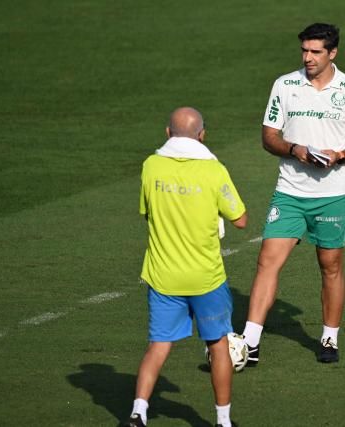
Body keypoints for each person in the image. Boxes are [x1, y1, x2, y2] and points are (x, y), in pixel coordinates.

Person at [241, 23, 345, 364]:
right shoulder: (285, 85)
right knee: (267, 262)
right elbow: (269, 136)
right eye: (304, 51)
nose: (308, 57)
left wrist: (339, 155)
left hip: (332, 193)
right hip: (289, 191)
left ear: (332, 53)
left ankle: (329, 338)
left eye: (315, 52)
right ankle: (249, 342)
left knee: (330, 265)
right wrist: (293, 149)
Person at [124, 107, 247, 427]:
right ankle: (223, 421)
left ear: (168, 133)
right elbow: (242, 220)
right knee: (218, 345)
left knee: (158, 345)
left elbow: (146, 212)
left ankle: (138, 412)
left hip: (164, 276)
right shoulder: (214, 171)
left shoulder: (150, 167)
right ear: (202, 135)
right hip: (206, 278)